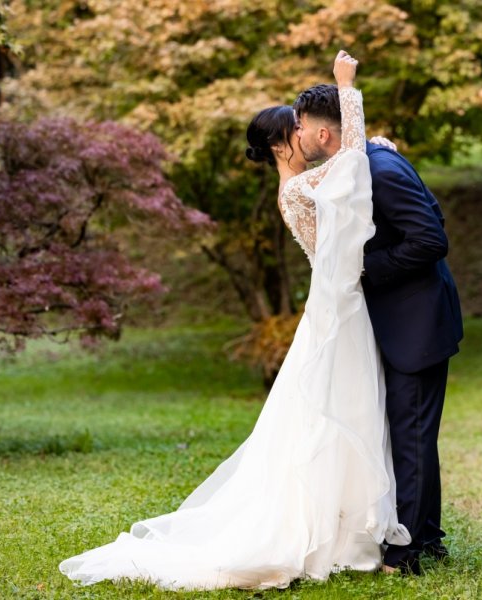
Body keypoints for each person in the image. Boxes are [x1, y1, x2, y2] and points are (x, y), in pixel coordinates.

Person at [59, 50, 410, 591]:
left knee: (350, 412)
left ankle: (347, 530)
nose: (304, 131)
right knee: (333, 413)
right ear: (279, 145)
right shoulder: (295, 189)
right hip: (337, 312)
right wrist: (348, 89)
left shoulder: (315, 180)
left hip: (345, 307)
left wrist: (373, 141)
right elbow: (355, 164)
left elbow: (353, 163)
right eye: (295, 129)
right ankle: (325, 533)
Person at [294, 75, 463, 576]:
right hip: (403, 321)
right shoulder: (361, 165)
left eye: (301, 127)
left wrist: (364, 268)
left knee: (410, 437)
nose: (298, 135)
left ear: (324, 135)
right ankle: (427, 537)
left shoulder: (381, 169)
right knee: (412, 437)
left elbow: (432, 238)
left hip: (417, 323)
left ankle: (407, 552)